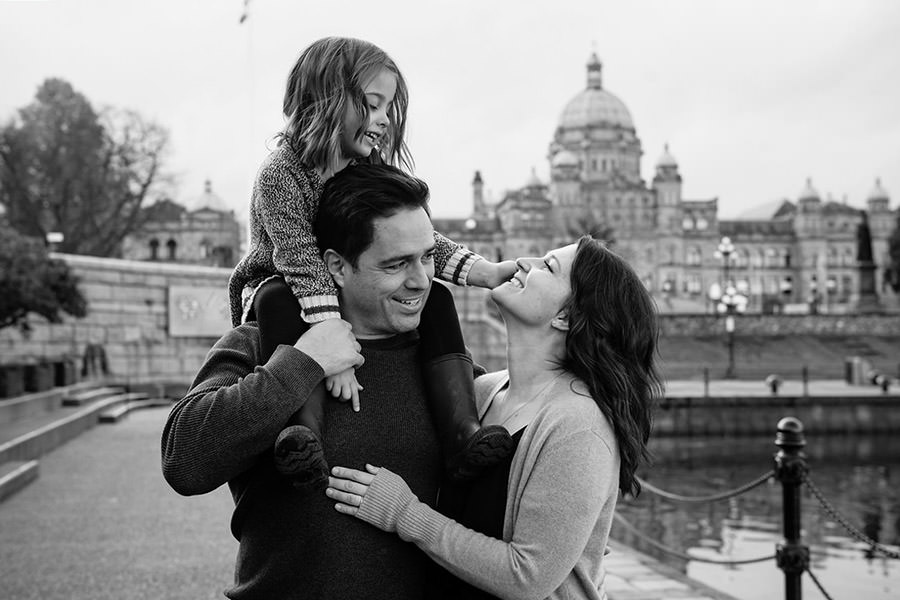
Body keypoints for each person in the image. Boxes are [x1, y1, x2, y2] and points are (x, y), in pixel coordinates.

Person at [162, 164, 481, 599]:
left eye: (427, 257)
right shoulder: (263, 343)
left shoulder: (443, 364)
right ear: (336, 266)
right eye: (396, 264)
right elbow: (184, 461)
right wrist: (304, 362)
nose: (421, 280)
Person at [226, 36, 515, 485]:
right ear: (325, 101)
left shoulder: (364, 168)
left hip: (341, 294)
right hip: (285, 292)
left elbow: (414, 239)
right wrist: (333, 354)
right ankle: (301, 434)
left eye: (388, 109)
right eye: (372, 105)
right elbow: (299, 258)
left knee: (436, 297)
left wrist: (484, 272)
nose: (382, 121)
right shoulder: (281, 174)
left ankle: (462, 433)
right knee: (278, 299)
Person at [326, 236, 663, 600]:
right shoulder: (482, 392)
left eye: (547, 267)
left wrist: (405, 513)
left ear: (565, 316)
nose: (522, 262)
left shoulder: (578, 424)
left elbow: (527, 577)